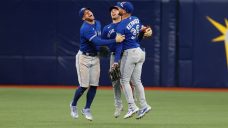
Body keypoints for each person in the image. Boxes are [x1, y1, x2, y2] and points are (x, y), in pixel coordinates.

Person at [70, 7, 125, 121]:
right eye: (86, 13)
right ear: (83, 18)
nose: (89, 12)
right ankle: (73, 105)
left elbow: (100, 41)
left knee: (94, 85)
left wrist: (105, 49)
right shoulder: (85, 28)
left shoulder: (98, 23)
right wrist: (115, 40)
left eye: (89, 11)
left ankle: (87, 109)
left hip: (95, 58)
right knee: (84, 86)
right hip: (83, 58)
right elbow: (97, 42)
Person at [102, 6, 151, 118]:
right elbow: (104, 43)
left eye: (116, 9)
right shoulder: (108, 28)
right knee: (122, 82)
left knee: (126, 81)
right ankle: (132, 105)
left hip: (127, 54)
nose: (114, 11)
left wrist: (147, 31)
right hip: (126, 53)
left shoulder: (123, 25)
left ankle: (132, 106)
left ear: (122, 11)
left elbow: (141, 34)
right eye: (112, 10)